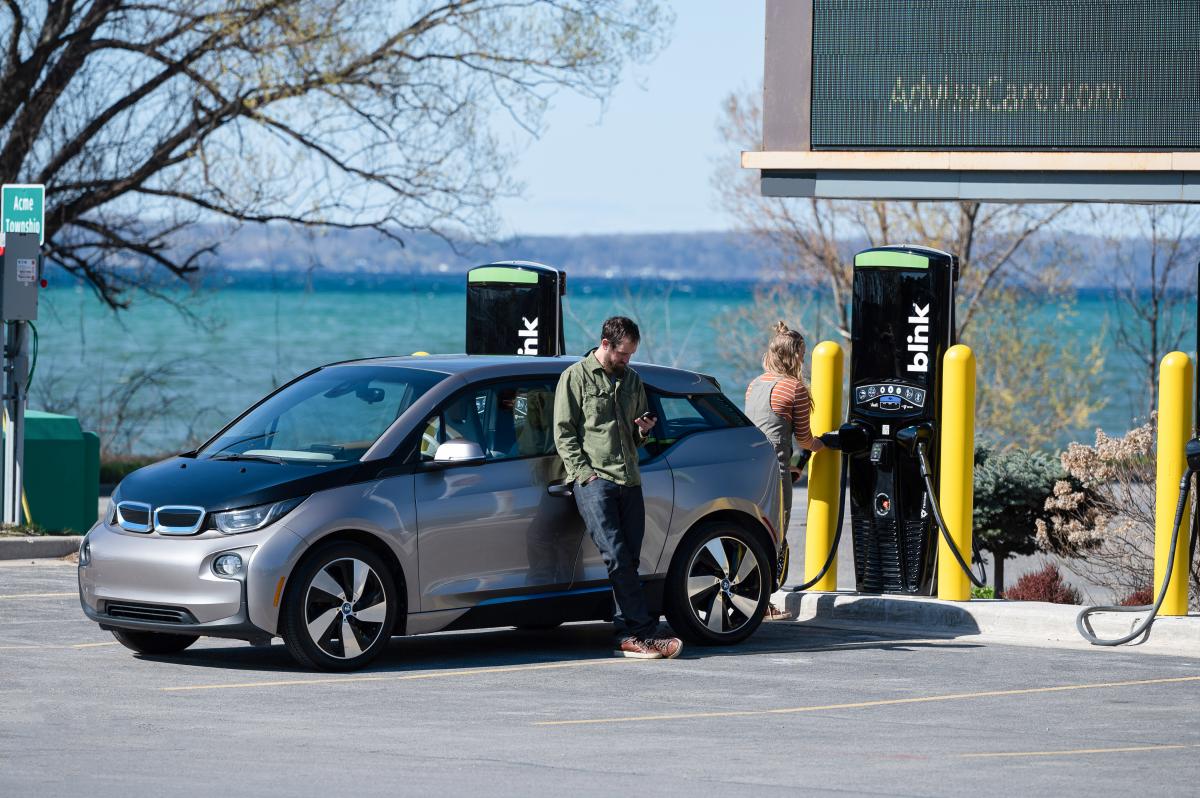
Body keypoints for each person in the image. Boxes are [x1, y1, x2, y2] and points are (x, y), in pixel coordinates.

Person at [553, 316, 683, 659]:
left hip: (630, 479)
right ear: (606, 344)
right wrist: (584, 474)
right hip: (594, 480)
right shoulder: (575, 377)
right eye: (623, 354)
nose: (626, 361)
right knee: (616, 555)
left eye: (631, 355)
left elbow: (638, 433)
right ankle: (646, 631)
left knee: (629, 559)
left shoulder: (632, 380)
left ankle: (626, 632)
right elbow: (564, 433)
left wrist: (644, 429)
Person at [745, 321, 825, 618]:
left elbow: (764, 431)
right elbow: (804, 437)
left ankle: (749, 599)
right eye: (802, 356)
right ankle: (762, 604)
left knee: (752, 535)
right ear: (795, 356)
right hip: (776, 476)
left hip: (751, 471)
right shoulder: (794, 388)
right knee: (775, 537)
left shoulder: (755, 384)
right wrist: (821, 445)